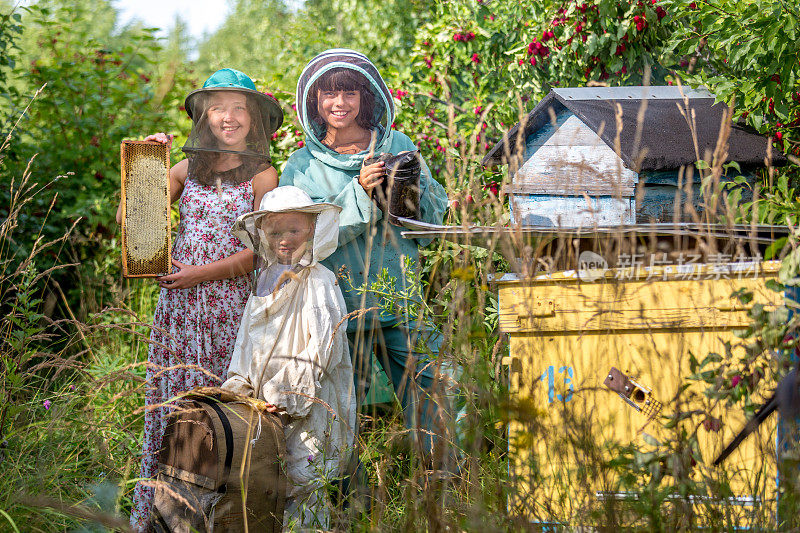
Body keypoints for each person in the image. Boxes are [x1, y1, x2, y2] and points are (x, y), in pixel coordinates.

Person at [118, 68, 284, 531]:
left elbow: (262, 252)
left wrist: (198, 275)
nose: (227, 117)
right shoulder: (187, 168)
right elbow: (133, 223)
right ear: (204, 116)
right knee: (169, 411)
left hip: (228, 312)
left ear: (253, 117)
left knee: (217, 413)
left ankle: (218, 518)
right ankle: (158, 520)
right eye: (217, 108)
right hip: (179, 315)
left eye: (238, 108)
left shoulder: (264, 175)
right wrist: (148, 166)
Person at [279, 49, 452, 467]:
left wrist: (406, 186)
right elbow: (300, 239)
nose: (339, 104)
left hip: (399, 295)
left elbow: (431, 218)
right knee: (339, 411)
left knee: (432, 393)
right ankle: (346, 504)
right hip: (338, 306)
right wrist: (358, 191)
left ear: (367, 96)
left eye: (349, 93)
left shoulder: (398, 145)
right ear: (314, 101)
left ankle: (447, 489)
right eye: (329, 94)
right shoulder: (301, 167)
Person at [221, 185, 355, 529]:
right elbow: (246, 342)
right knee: (266, 490)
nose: (285, 239)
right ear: (262, 232)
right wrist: (239, 385)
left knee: (304, 484)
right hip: (262, 409)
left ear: (311, 229)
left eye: (294, 230)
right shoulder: (263, 279)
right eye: (276, 231)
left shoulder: (319, 280)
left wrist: (287, 395)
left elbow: (325, 347)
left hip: (306, 404)